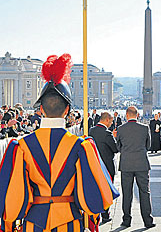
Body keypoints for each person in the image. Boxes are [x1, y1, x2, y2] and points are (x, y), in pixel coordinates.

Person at [0, 54, 119, 232]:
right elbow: (98, 198)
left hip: (34, 223)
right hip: (70, 222)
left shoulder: (20, 147)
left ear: (40, 109)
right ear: (67, 110)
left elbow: (11, 201)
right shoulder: (82, 146)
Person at [117, 106, 155, 229]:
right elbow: (148, 145)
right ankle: (147, 221)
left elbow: (118, 147)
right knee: (144, 192)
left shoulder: (121, 129)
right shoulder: (144, 128)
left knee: (127, 193)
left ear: (127, 115)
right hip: (141, 164)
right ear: (137, 115)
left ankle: (126, 220)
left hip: (126, 164)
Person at [89, 112, 118, 224]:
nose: (110, 124)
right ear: (106, 120)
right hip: (106, 166)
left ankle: (96, 212)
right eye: (110, 122)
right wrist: (114, 137)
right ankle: (105, 214)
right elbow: (115, 149)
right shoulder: (107, 134)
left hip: (94, 164)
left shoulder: (91, 130)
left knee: (96, 189)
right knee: (106, 191)